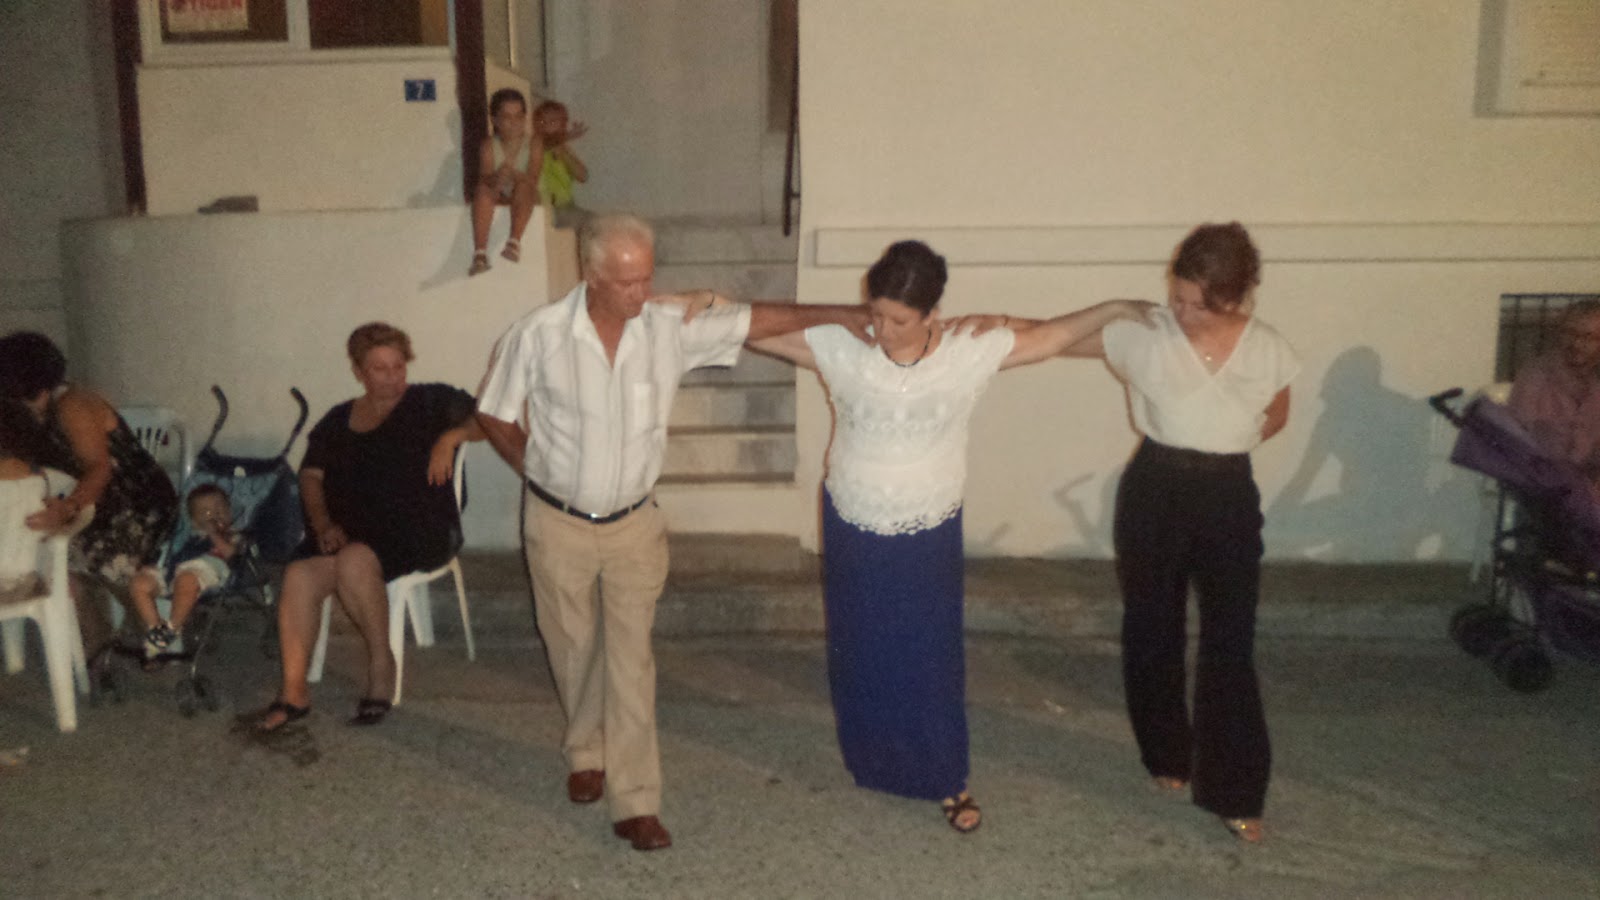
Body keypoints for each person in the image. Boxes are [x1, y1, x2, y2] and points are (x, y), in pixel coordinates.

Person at [475, 213, 872, 851]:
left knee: (631, 661)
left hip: (635, 525)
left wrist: (844, 314)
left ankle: (636, 800)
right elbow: (493, 411)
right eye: (627, 282)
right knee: (573, 648)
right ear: (591, 274)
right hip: (557, 523)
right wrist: (535, 467)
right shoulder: (538, 335)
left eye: (647, 277)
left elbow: (756, 321)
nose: (642, 292)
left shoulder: (666, 329)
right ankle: (586, 751)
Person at [744, 240, 1154, 833]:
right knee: (861, 645)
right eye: (876, 314)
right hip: (852, 522)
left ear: (933, 314)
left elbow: (1051, 339)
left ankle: (945, 775)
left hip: (926, 526)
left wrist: (1112, 307)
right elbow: (754, 330)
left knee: (929, 653)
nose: (883, 331)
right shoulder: (844, 345)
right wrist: (799, 312)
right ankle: (874, 759)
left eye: (899, 320)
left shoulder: (966, 352)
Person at [1058, 222, 1298, 844]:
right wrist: (1111, 308)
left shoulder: (1267, 346)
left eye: (1199, 305)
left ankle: (1235, 791)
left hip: (1227, 493)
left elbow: (1277, 412)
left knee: (1230, 640)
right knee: (1152, 625)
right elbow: (1058, 341)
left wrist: (1225, 439)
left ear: (1237, 297)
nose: (1183, 313)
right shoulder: (1148, 333)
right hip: (1155, 487)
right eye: (1178, 297)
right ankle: (1166, 753)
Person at [250, 323, 483, 732]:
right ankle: (294, 691)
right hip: (349, 530)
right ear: (359, 371)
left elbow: (490, 420)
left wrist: (451, 437)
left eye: (398, 366)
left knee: (354, 561)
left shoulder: (430, 401)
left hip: (417, 528)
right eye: (380, 369)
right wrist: (322, 523)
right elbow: (311, 477)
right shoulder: (338, 418)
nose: (392, 377)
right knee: (300, 574)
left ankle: (380, 664)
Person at [0, 331, 178, 657]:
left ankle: (147, 627)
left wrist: (68, 508)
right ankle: (96, 635)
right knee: (42, 546)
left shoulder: (74, 405)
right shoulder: (29, 414)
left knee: (76, 550)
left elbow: (99, 469)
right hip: (94, 500)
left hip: (136, 501)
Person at [126, 484, 238, 664]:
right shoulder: (187, 535)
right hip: (174, 571)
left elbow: (232, 554)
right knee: (138, 583)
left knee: (186, 579)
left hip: (208, 569)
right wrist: (154, 566)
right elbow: (168, 554)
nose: (214, 516)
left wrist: (214, 534)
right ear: (194, 521)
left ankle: (173, 628)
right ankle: (157, 630)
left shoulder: (231, 534)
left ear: (230, 512)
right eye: (206, 512)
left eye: (220, 510)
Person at [1507, 300, 1600, 495]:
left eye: (1588, 337)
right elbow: (1515, 444)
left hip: (1585, 491)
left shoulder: (1595, 385)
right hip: (1540, 489)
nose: (1576, 344)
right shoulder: (1535, 376)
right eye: (1570, 333)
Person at [470, 88, 543, 277]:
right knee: (482, 191)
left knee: (524, 188)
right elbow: (485, 177)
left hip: (525, 193)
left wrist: (514, 175)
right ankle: (480, 253)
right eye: (507, 117)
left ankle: (514, 241)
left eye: (519, 117)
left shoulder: (533, 143)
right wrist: (497, 177)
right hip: (500, 192)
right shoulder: (489, 145)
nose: (514, 123)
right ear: (495, 120)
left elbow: (533, 178)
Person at [533, 99, 590, 228]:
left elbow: (583, 176)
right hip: (544, 207)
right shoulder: (534, 146)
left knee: (597, 223)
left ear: (563, 125)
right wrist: (567, 136)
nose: (547, 125)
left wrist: (564, 155)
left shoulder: (565, 149)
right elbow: (547, 143)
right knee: (591, 223)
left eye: (553, 121)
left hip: (566, 206)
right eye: (542, 122)